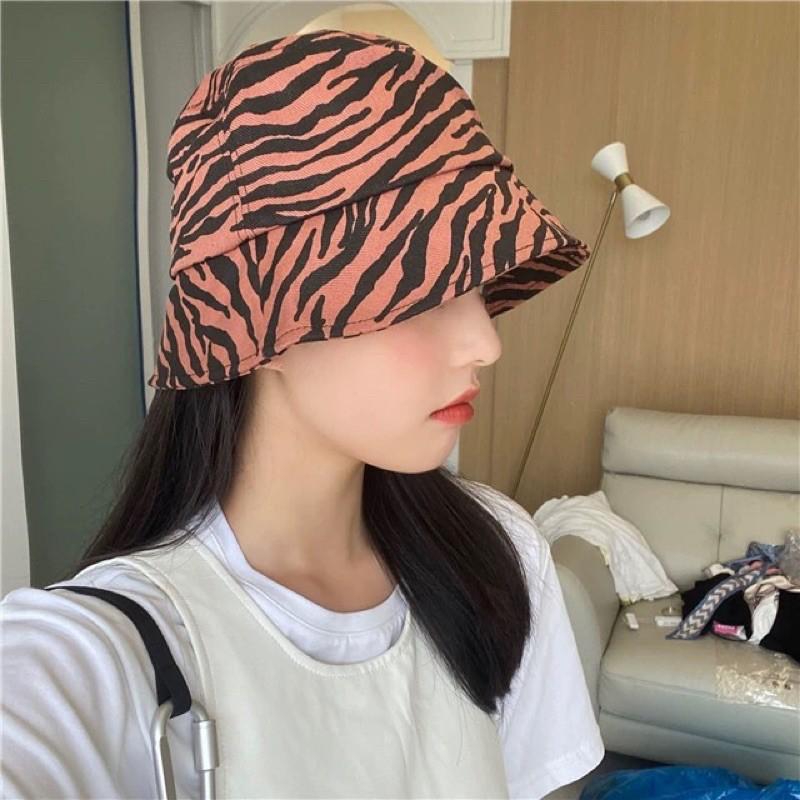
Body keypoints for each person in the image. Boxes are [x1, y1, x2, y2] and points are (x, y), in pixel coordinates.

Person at [1, 28, 604, 799]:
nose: (486, 342)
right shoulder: (103, 655)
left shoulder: (497, 555)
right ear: (260, 325)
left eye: (478, 285)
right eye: (421, 288)